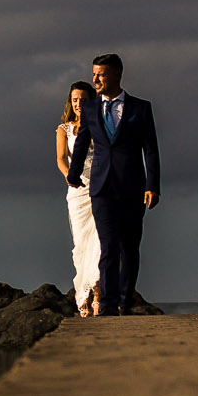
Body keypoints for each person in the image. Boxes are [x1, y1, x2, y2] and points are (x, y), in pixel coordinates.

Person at [65, 53, 161, 315]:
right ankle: (106, 304)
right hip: (101, 187)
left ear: (116, 75)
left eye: (101, 74)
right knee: (107, 246)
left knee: (129, 247)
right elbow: (83, 141)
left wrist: (152, 185)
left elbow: (150, 149)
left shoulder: (140, 108)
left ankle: (125, 301)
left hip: (132, 187)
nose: (95, 79)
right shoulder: (91, 108)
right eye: (94, 74)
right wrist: (73, 176)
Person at [55, 81, 99, 317]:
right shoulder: (65, 129)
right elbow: (61, 158)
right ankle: (83, 294)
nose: (78, 103)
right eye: (75, 99)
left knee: (101, 241)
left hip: (101, 188)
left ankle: (98, 292)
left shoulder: (99, 125)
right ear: (70, 102)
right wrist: (68, 176)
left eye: (83, 99)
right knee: (81, 244)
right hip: (78, 190)